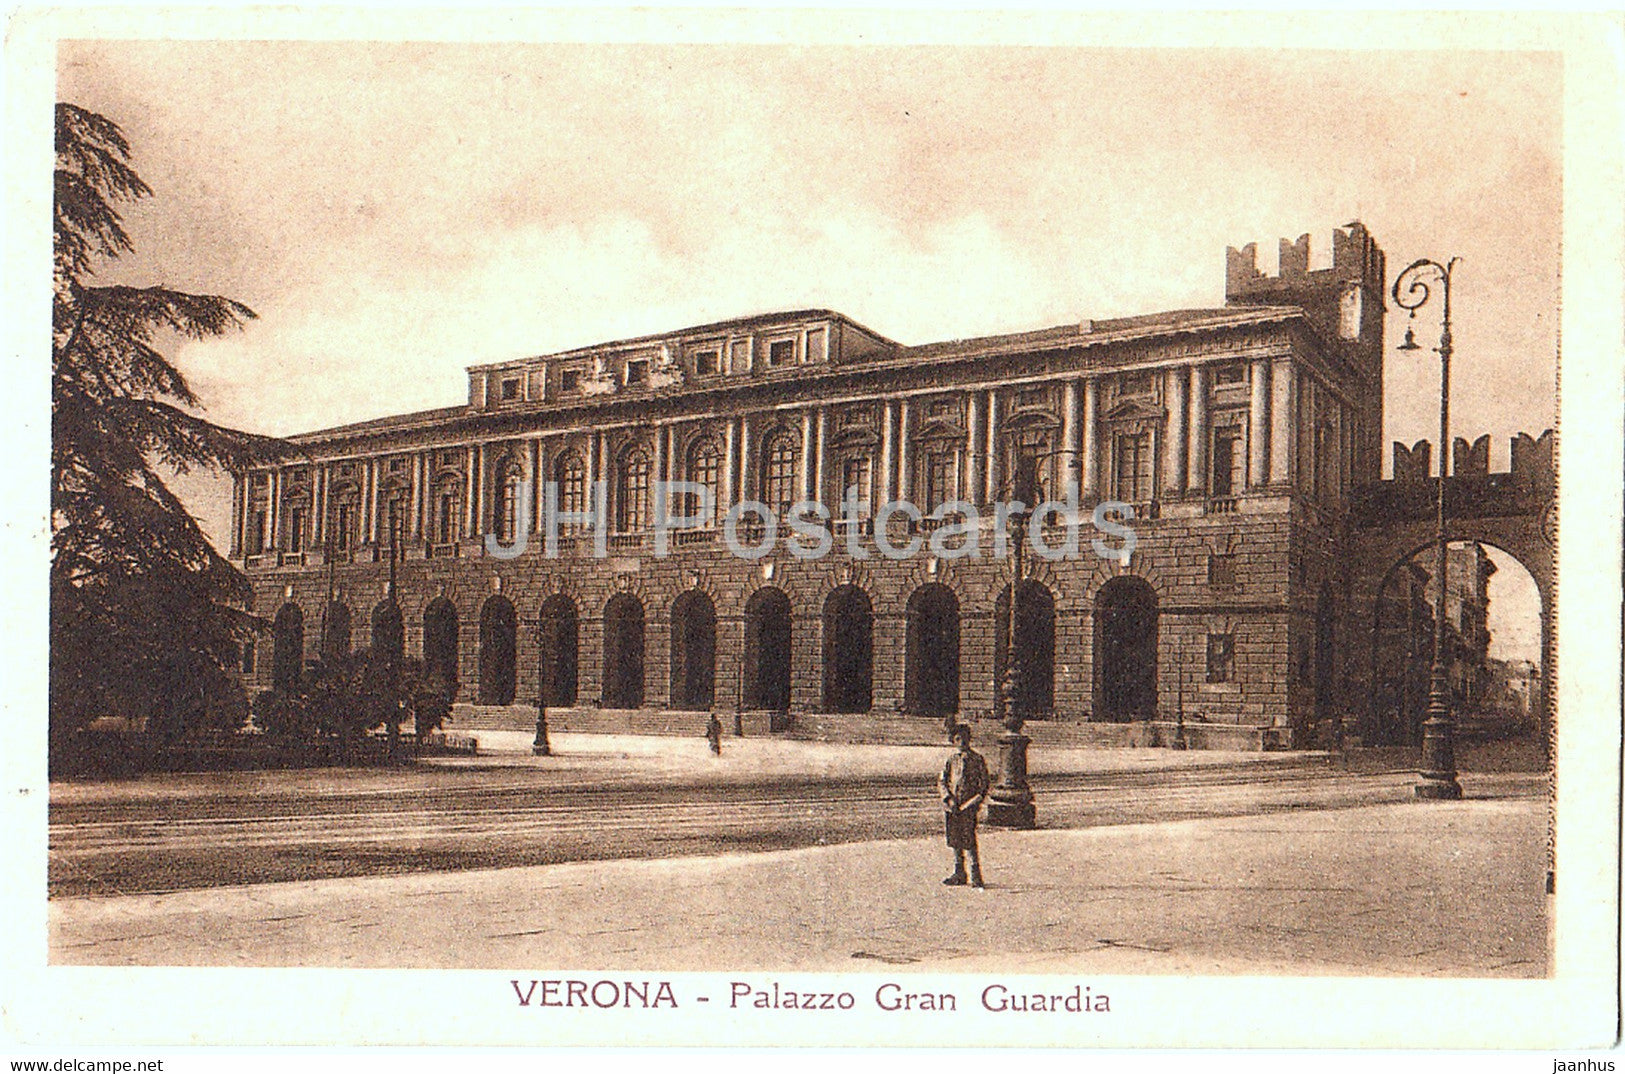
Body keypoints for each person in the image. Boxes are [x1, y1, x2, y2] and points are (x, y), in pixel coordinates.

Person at [938, 722, 989, 888]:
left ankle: (976, 874)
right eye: (958, 739)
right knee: (954, 839)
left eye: (965, 738)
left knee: (969, 838)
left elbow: (984, 784)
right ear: (953, 741)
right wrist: (948, 798)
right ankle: (959, 872)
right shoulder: (951, 760)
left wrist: (974, 801)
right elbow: (942, 781)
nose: (962, 742)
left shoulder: (977, 759)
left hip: (969, 806)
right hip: (953, 805)